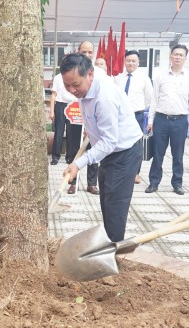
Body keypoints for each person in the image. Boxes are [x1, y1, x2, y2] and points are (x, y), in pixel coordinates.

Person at [59, 53, 143, 242]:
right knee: (106, 201)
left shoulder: (105, 97)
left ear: (90, 74)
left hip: (124, 152)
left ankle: (114, 254)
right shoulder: (85, 81)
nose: (72, 90)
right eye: (67, 85)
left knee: (115, 205)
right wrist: (92, 129)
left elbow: (109, 141)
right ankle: (110, 245)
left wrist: (78, 164)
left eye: (76, 85)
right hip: (109, 151)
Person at [147, 44, 189, 195]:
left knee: (178, 154)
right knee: (158, 153)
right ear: (170, 56)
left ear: (185, 58)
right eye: (175, 54)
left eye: (181, 55)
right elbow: (154, 101)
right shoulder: (161, 77)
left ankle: (177, 183)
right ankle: (153, 182)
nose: (177, 57)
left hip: (180, 121)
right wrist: (150, 120)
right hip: (161, 120)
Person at [115, 50, 154, 184]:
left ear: (138, 63)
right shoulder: (118, 78)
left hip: (137, 115)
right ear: (124, 61)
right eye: (128, 60)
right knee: (120, 143)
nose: (131, 63)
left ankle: (135, 173)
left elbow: (150, 99)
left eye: (134, 61)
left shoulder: (144, 79)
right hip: (120, 116)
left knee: (136, 145)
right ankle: (121, 170)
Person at [76, 40, 103, 194]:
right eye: (84, 52)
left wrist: (90, 125)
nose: (87, 55)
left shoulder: (98, 74)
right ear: (78, 51)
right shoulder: (71, 69)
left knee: (94, 148)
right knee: (75, 148)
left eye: (90, 52)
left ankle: (92, 183)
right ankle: (73, 181)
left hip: (93, 119)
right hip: (74, 116)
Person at [49, 60, 79, 177]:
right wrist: (52, 111)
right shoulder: (57, 77)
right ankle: (55, 157)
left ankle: (69, 157)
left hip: (74, 106)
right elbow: (53, 95)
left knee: (72, 133)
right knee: (59, 132)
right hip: (60, 105)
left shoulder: (76, 75)